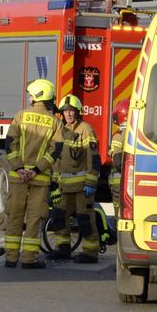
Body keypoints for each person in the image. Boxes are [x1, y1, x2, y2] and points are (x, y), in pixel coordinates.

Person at [3, 79, 63, 269]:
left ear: (36, 96)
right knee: (34, 218)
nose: (29, 97)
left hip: (17, 177)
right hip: (40, 178)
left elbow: (9, 144)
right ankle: (29, 259)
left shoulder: (20, 116)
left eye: (31, 94)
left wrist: (19, 168)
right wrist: (36, 169)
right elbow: (55, 151)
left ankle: (11, 258)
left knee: (15, 216)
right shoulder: (55, 122)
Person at [49, 94, 101, 263]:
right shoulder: (60, 130)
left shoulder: (86, 129)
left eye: (71, 111)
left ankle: (90, 252)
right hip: (63, 187)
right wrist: (54, 182)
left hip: (81, 188)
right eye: (65, 111)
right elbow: (57, 158)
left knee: (85, 219)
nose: (68, 114)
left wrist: (91, 182)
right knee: (59, 217)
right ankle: (63, 248)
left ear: (78, 112)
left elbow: (93, 158)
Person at [108, 100, 129, 215]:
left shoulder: (119, 137)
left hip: (119, 182)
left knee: (120, 213)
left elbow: (117, 162)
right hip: (132, 182)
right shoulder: (136, 135)